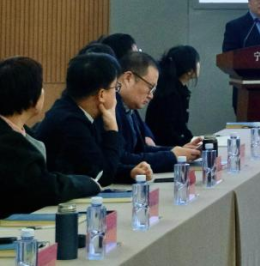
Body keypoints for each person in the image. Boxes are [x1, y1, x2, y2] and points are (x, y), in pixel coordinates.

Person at [0, 57, 100, 219]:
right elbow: (45, 187)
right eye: (41, 87)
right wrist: (89, 183)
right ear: (30, 97)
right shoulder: (8, 143)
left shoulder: (21, 133)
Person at [34, 53, 152, 186]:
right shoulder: (70, 123)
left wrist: (129, 173)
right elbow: (100, 176)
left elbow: (95, 164)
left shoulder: (79, 112)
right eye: (115, 88)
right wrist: (112, 131)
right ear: (101, 95)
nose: (116, 94)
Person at [115, 51, 201, 173]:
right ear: (128, 78)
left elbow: (140, 150)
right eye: (150, 87)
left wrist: (177, 151)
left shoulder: (129, 107)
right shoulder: (111, 108)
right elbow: (123, 158)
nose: (151, 96)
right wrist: (172, 156)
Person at [146, 46, 200, 148]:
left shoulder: (176, 89)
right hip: (165, 149)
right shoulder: (170, 94)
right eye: (197, 61)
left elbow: (181, 127)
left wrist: (191, 140)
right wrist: (186, 145)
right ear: (189, 70)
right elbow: (169, 133)